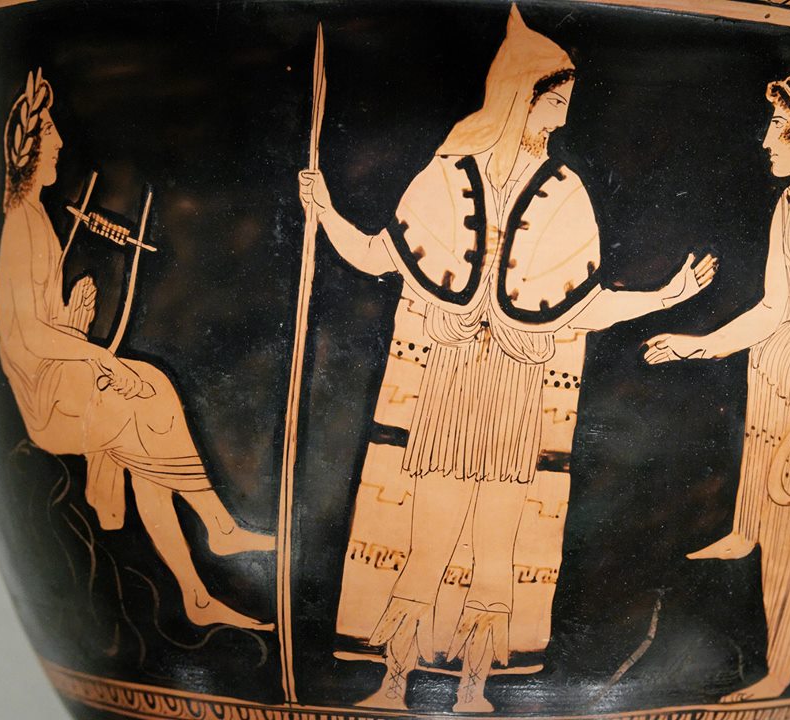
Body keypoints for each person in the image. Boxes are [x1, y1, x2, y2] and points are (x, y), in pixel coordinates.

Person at [300, 6, 715, 712]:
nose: (562, 115)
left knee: (494, 548)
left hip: (515, 393)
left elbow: (582, 305)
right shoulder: (443, 178)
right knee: (427, 543)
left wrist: (663, 297)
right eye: (555, 100)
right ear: (521, 95)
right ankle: (394, 685)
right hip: (450, 388)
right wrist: (324, 211)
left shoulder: (567, 193)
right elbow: (376, 256)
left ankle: (473, 691)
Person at [0, 69, 275, 632]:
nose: (60, 143)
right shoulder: (23, 224)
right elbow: (24, 336)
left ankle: (195, 594)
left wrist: (74, 319)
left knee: (149, 444)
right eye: (51, 135)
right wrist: (97, 356)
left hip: (56, 377)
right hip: (43, 400)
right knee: (151, 396)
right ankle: (219, 528)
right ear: (32, 151)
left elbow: (42, 325)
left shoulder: (36, 220)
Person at [644, 74, 790, 702]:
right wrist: (699, 344)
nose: (767, 140)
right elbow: (773, 307)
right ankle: (748, 526)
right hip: (788, 357)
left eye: (776, 128)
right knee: (769, 493)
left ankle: (780, 669)